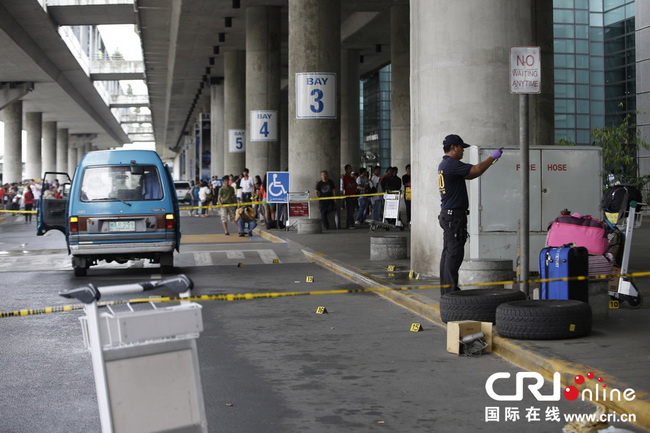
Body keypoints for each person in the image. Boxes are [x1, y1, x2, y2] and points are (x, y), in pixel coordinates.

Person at [438, 134, 502, 296]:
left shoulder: (445, 164)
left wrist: (490, 162)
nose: (463, 151)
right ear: (453, 147)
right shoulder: (451, 164)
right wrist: (492, 158)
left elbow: (472, 174)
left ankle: (447, 290)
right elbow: (476, 169)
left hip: (449, 215)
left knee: (448, 253)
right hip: (454, 217)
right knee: (454, 253)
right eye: (461, 148)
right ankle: (450, 292)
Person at [342, 164, 357, 229]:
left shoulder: (352, 178)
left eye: (351, 168)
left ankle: (350, 223)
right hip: (348, 195)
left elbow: (355, 185)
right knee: (350, 210)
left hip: (353, 195)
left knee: (353, 210)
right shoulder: (345, 177)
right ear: (346, 170)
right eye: (349, 169)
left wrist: (352, 185)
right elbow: (350, 185)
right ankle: (350, 224)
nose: (350, 170)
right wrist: (352, 185)